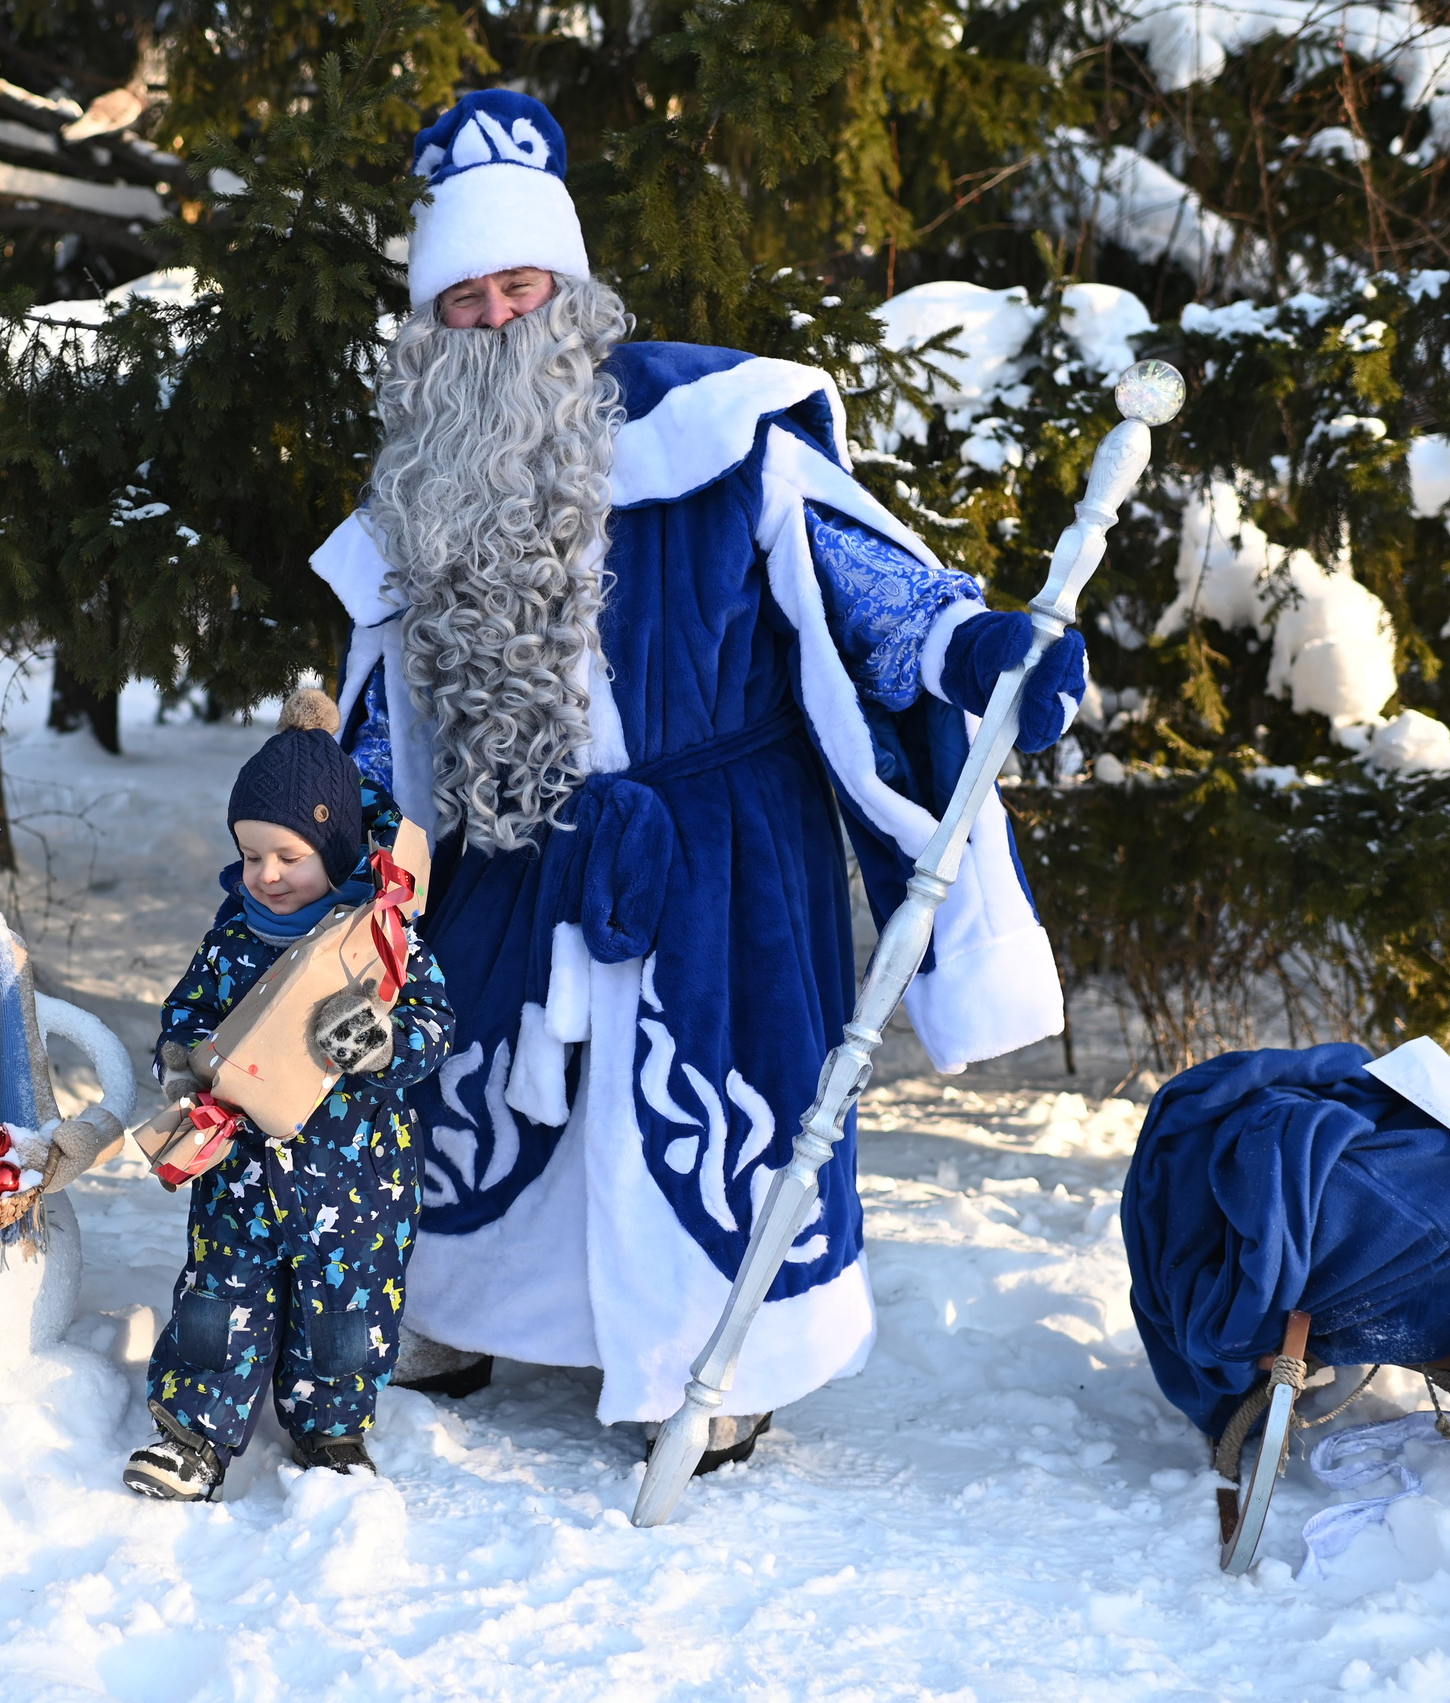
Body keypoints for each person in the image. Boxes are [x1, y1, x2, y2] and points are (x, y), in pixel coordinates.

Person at [316, 91, 1086, 1468]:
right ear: (431, 326)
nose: (496, 319)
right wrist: (338, 843)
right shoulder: (420, 483)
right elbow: (388, 700)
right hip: (509, 842)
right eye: (465, 300)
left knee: (710, 1096)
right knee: (486, 1080)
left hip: (715, 848)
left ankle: (712, 1353)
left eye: (519, 285)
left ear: (567, 287)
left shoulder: (719, 422)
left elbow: (867, 591)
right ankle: (467, 1305)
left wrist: (969, 645)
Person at [124, 690, 458, 1501]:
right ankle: (192, 1434)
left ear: (335, 846)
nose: (266, 874)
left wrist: (383, 1040)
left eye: (288, 855)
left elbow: (435, 1023)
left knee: (345, 1313)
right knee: (217, 1302)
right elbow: (187, 1012)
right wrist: (182, 1057)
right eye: (251, 854)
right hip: (240, 1177)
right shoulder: (235, 935)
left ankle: (332, 1429)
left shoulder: (380, 937)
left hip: (356, 1180)